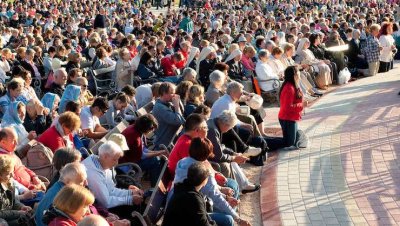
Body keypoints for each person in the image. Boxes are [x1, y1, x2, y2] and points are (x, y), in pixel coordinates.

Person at [173, 137, 251, 226]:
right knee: (228, 219)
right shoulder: (203, 172)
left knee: (231, 187)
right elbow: (215, 197)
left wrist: (225, 196)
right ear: (206, 155)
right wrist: (238, 219)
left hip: (180, 206)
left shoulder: (181, 163)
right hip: (194, 211)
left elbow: (209, 191)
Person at [82, 141, 144, 219]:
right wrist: (130, 199)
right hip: (99, 209)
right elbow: (106, 203)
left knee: (137, 201)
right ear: (105, 156)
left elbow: (111, 190)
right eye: (114, 160)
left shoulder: (102, 164)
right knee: (132, 209)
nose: (116, 163)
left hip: (104, 204)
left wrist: (130, 193)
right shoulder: (92, 173)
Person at [120, 114, 168, 186]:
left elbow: (144, 149)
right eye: (151, 129)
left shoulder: (136, 129)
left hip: (131, 158)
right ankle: (154, 186)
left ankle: (155, 183)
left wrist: (159, 152)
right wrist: (159, 153)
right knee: (154, 161)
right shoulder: (135, 136)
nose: (151, 131)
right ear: (145, 128)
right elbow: (142, 155)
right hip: (127, 164)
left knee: (156, 159)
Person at [0, 155, 33, 226]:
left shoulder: (9, 183)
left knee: (28, 218)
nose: (12, 175)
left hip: (9, 215)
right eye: (8, 174)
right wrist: (18, 212)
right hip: (2, 218)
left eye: (12, 171)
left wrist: (21, 207)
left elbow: (13, 201)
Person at [152, 82, 185, 149]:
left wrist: (179, 103)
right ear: (164, 93)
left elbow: (181, 117)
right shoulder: (160, 108)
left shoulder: (167, 103)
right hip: (164, 143)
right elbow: (178, 121)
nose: (174, 95)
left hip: (172, 138)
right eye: (172, 93)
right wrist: (177, 105)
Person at [278, 66, 304, 148]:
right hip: (287, 118)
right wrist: (302, 105)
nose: (300, 73)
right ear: (294, 75)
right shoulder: (289, 88)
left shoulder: (293, 85)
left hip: (290, 117)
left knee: (291, 141)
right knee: (288, 143)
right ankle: (265, 143)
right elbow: (288, 107)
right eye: (298, 72)